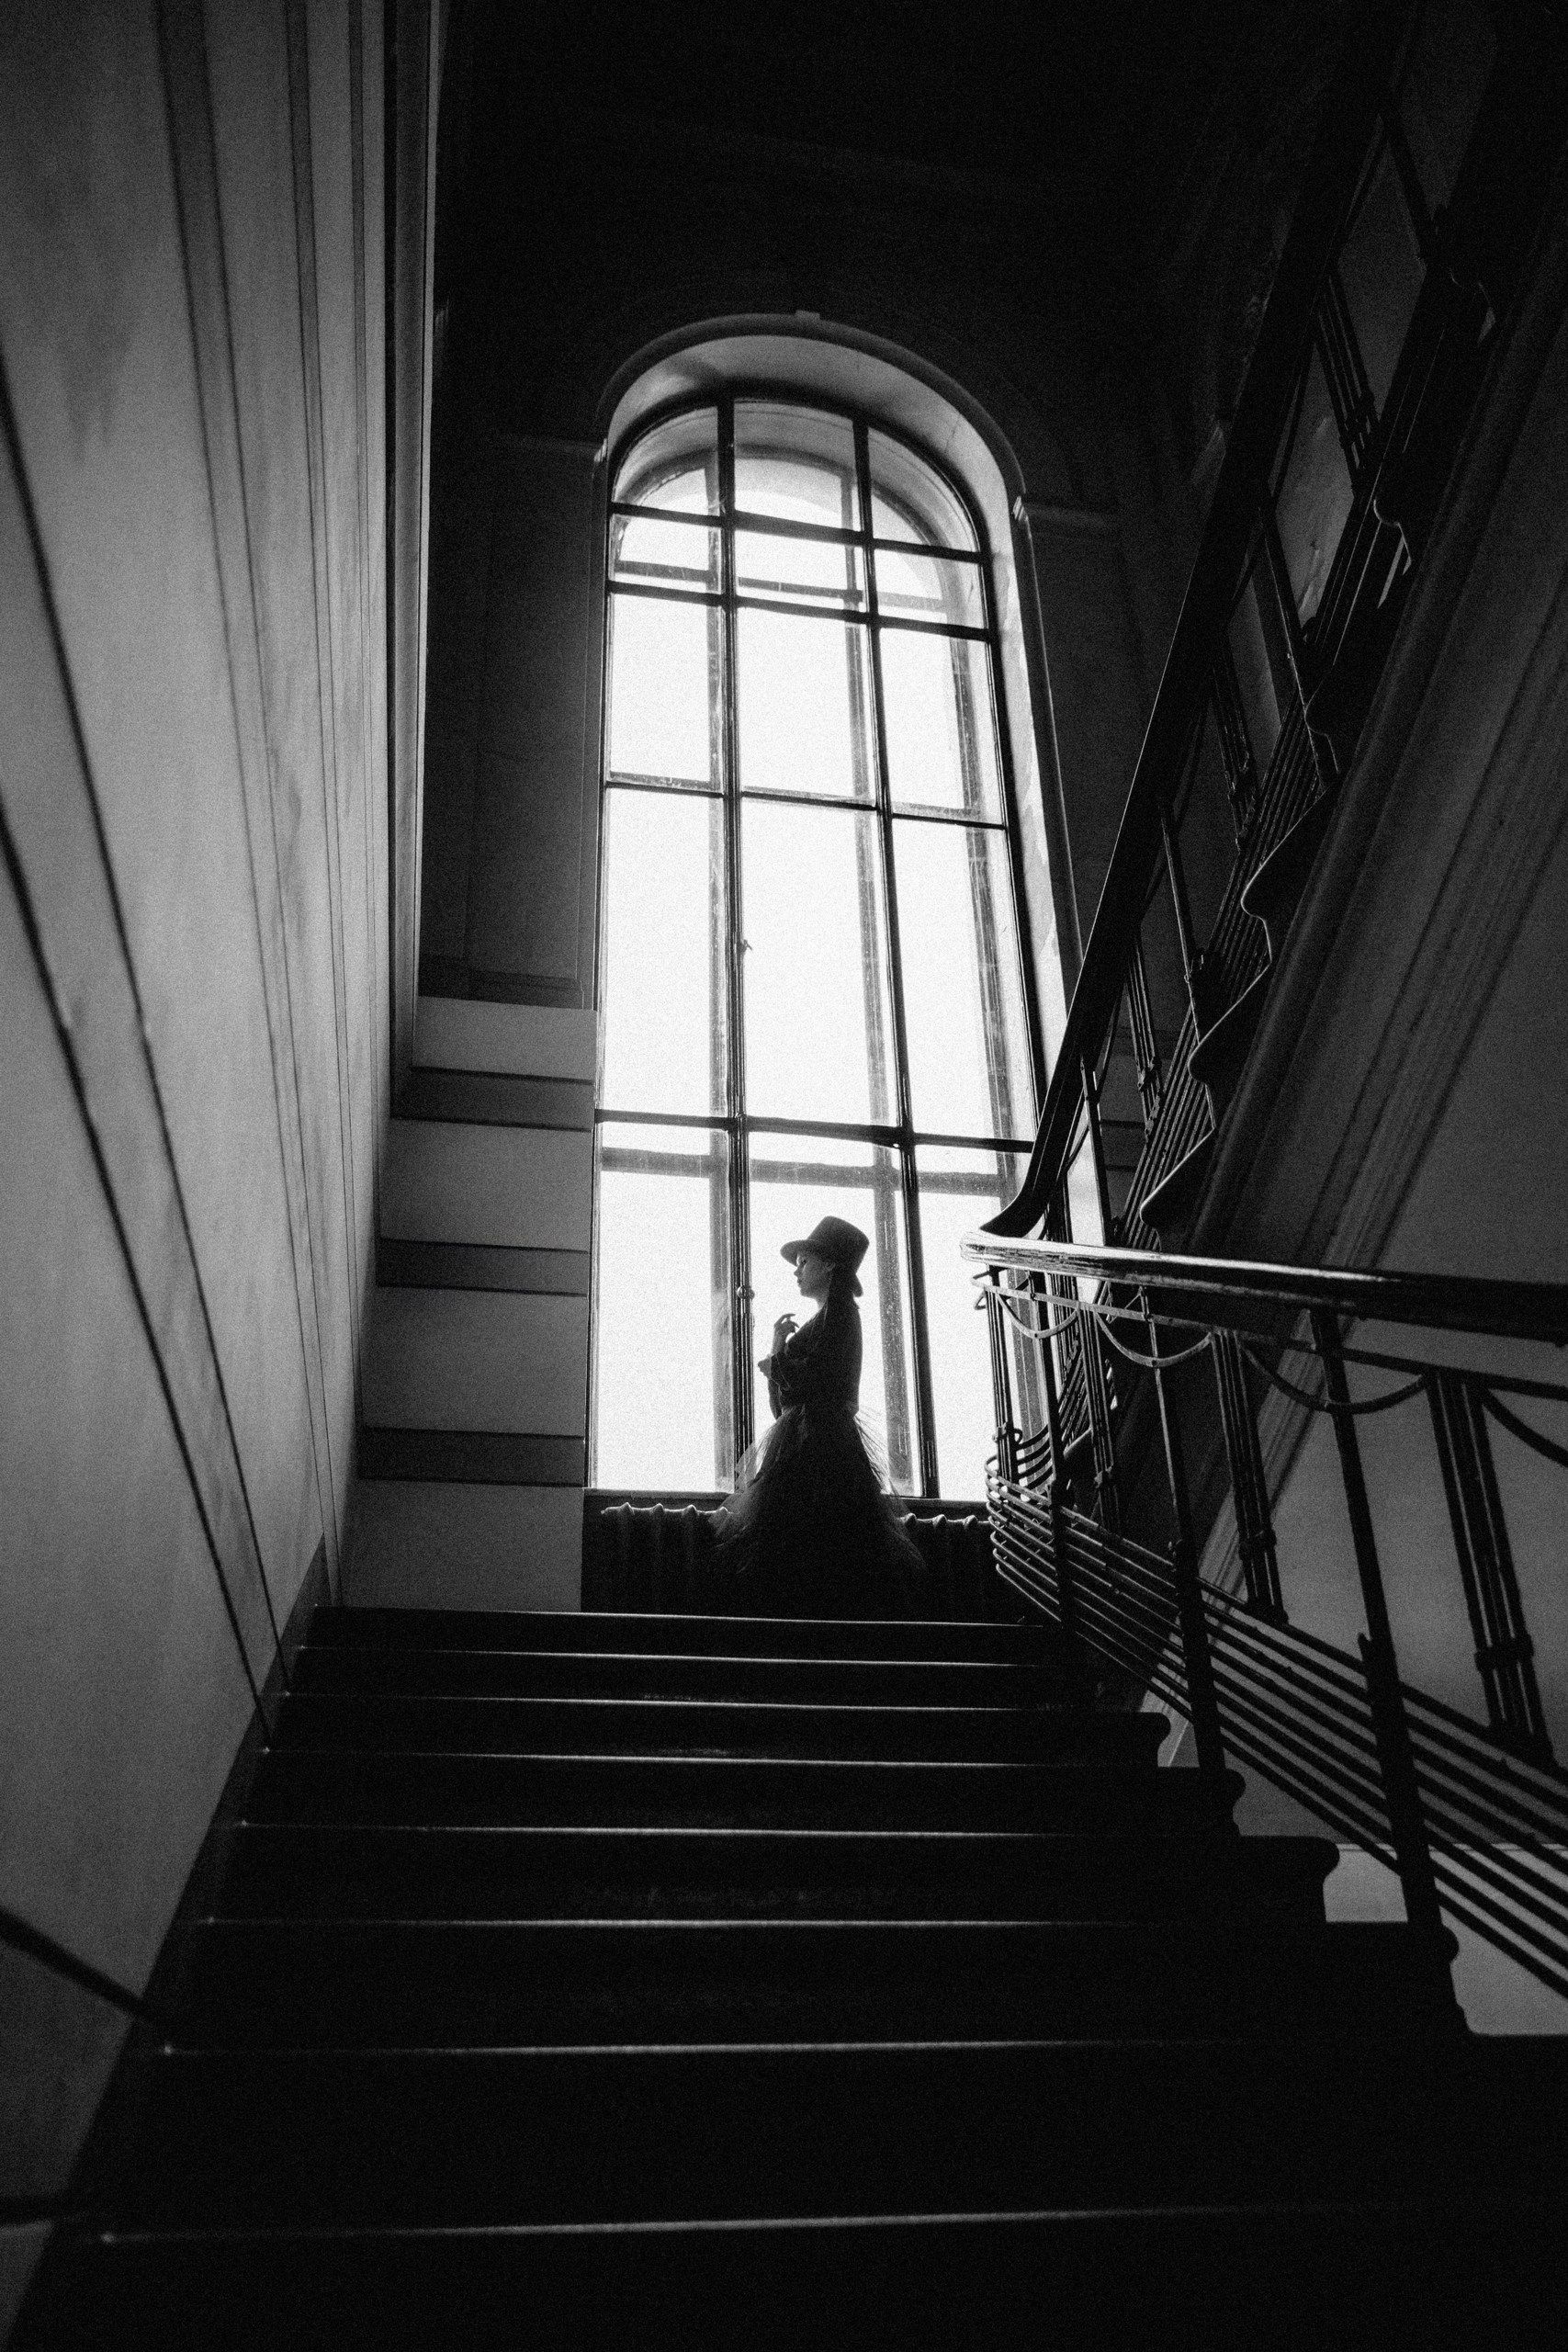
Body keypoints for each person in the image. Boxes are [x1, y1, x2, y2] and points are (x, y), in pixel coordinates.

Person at [715, 1215, 922, 1617]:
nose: (797, 1271)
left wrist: (778, 1360)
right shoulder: (827, 1318)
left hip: (823, 1446)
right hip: (808, 1440)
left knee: (814, 1544)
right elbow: (785, 1405)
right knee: (804, 1546)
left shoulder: (842, 1314)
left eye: (804, 1262)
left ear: (829, 1266)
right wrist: (779, 1350)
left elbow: (818, 1382)